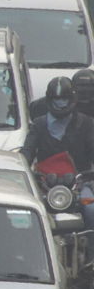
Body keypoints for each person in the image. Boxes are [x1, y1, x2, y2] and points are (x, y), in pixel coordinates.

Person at [23, 77, 94, 231]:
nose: (60, 103)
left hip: (80, 185)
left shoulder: (87, 124)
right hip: (44, 184)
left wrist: (89, 174)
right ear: (49, 100)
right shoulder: (39, 124)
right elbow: (26, 153)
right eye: (57, 99)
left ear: (72, 100)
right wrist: (25, 169)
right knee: (23, 211)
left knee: (91, 209)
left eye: (64, 99)